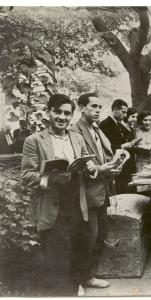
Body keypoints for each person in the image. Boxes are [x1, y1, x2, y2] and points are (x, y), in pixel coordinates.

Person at [21, 94, 97, 296]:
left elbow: (86, 165)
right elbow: (27, 176)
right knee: (58, 260)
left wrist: (90, 168)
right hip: (52, 206)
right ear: (49, 112)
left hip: (76, 205)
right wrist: (49, 179)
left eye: (67, 113)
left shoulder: (77, 138)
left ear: (72, 116)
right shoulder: (35, 141)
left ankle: (72, 290)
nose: (62, 117)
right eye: (58, 112)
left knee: (78, 254)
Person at [71, 93, 121, 291]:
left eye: (100, 107)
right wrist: (104, 169)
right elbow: (78, 164)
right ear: (81, 108)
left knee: (99, 233)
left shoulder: (97, 129)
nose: (98, 110)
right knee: (87, 236)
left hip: (102, 189)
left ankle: (88, 274)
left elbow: (104, 157)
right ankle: (80, 279)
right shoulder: (74, 131)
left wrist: (115, 165)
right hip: (85, 192)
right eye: (93, 106)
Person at [99, 99, 139, 193]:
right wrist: (122, 146)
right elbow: (105, 147)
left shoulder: (119, 124)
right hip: (117, 165)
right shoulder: (105, 124)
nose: (125, 115)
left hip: (126, 165)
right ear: (115, 109)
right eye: (123, 112)